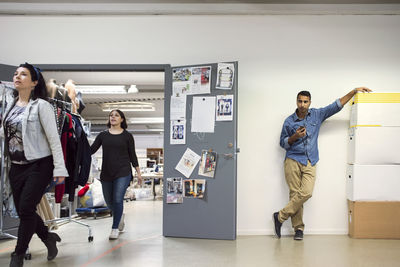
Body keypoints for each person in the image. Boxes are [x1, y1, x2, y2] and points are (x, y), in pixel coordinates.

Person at [273, 87, 371, 241]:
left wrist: (353, 92)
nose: (302, 104)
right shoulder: (289, 121)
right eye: (300, 101)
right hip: (292, 160)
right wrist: (294, 137)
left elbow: (336, 106)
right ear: (296, 102)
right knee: (294, 194)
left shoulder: (317, 115)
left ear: (310, 102)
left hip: (311, 160)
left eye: (305, 102)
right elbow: (282, 143)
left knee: (306, 192)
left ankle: (280, 216)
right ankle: (298, 229)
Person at [1, 63, 68, 267]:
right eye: (16, 74)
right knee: (25, 211)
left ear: (34, 82)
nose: (17, 77)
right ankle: (48, 238)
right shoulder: (11, 105)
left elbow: (54, 140)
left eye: (23, 74)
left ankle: (17, 256)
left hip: (39, 165)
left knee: (26, 207)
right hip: (16, 166)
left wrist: (60, 169)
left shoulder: (42, 106)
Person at [90, 109, 143, 240]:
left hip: (123, 171)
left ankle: (114, 228)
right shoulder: (103, 135)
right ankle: (119, 216)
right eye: (111, 115)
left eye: (116, 115)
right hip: (107, 172)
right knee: (109, 202)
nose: (113, 117)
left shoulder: (127, 136)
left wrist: (138, 172)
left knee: (118, 198)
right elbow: (91, 150)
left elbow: (133, 155)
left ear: (122, 119)